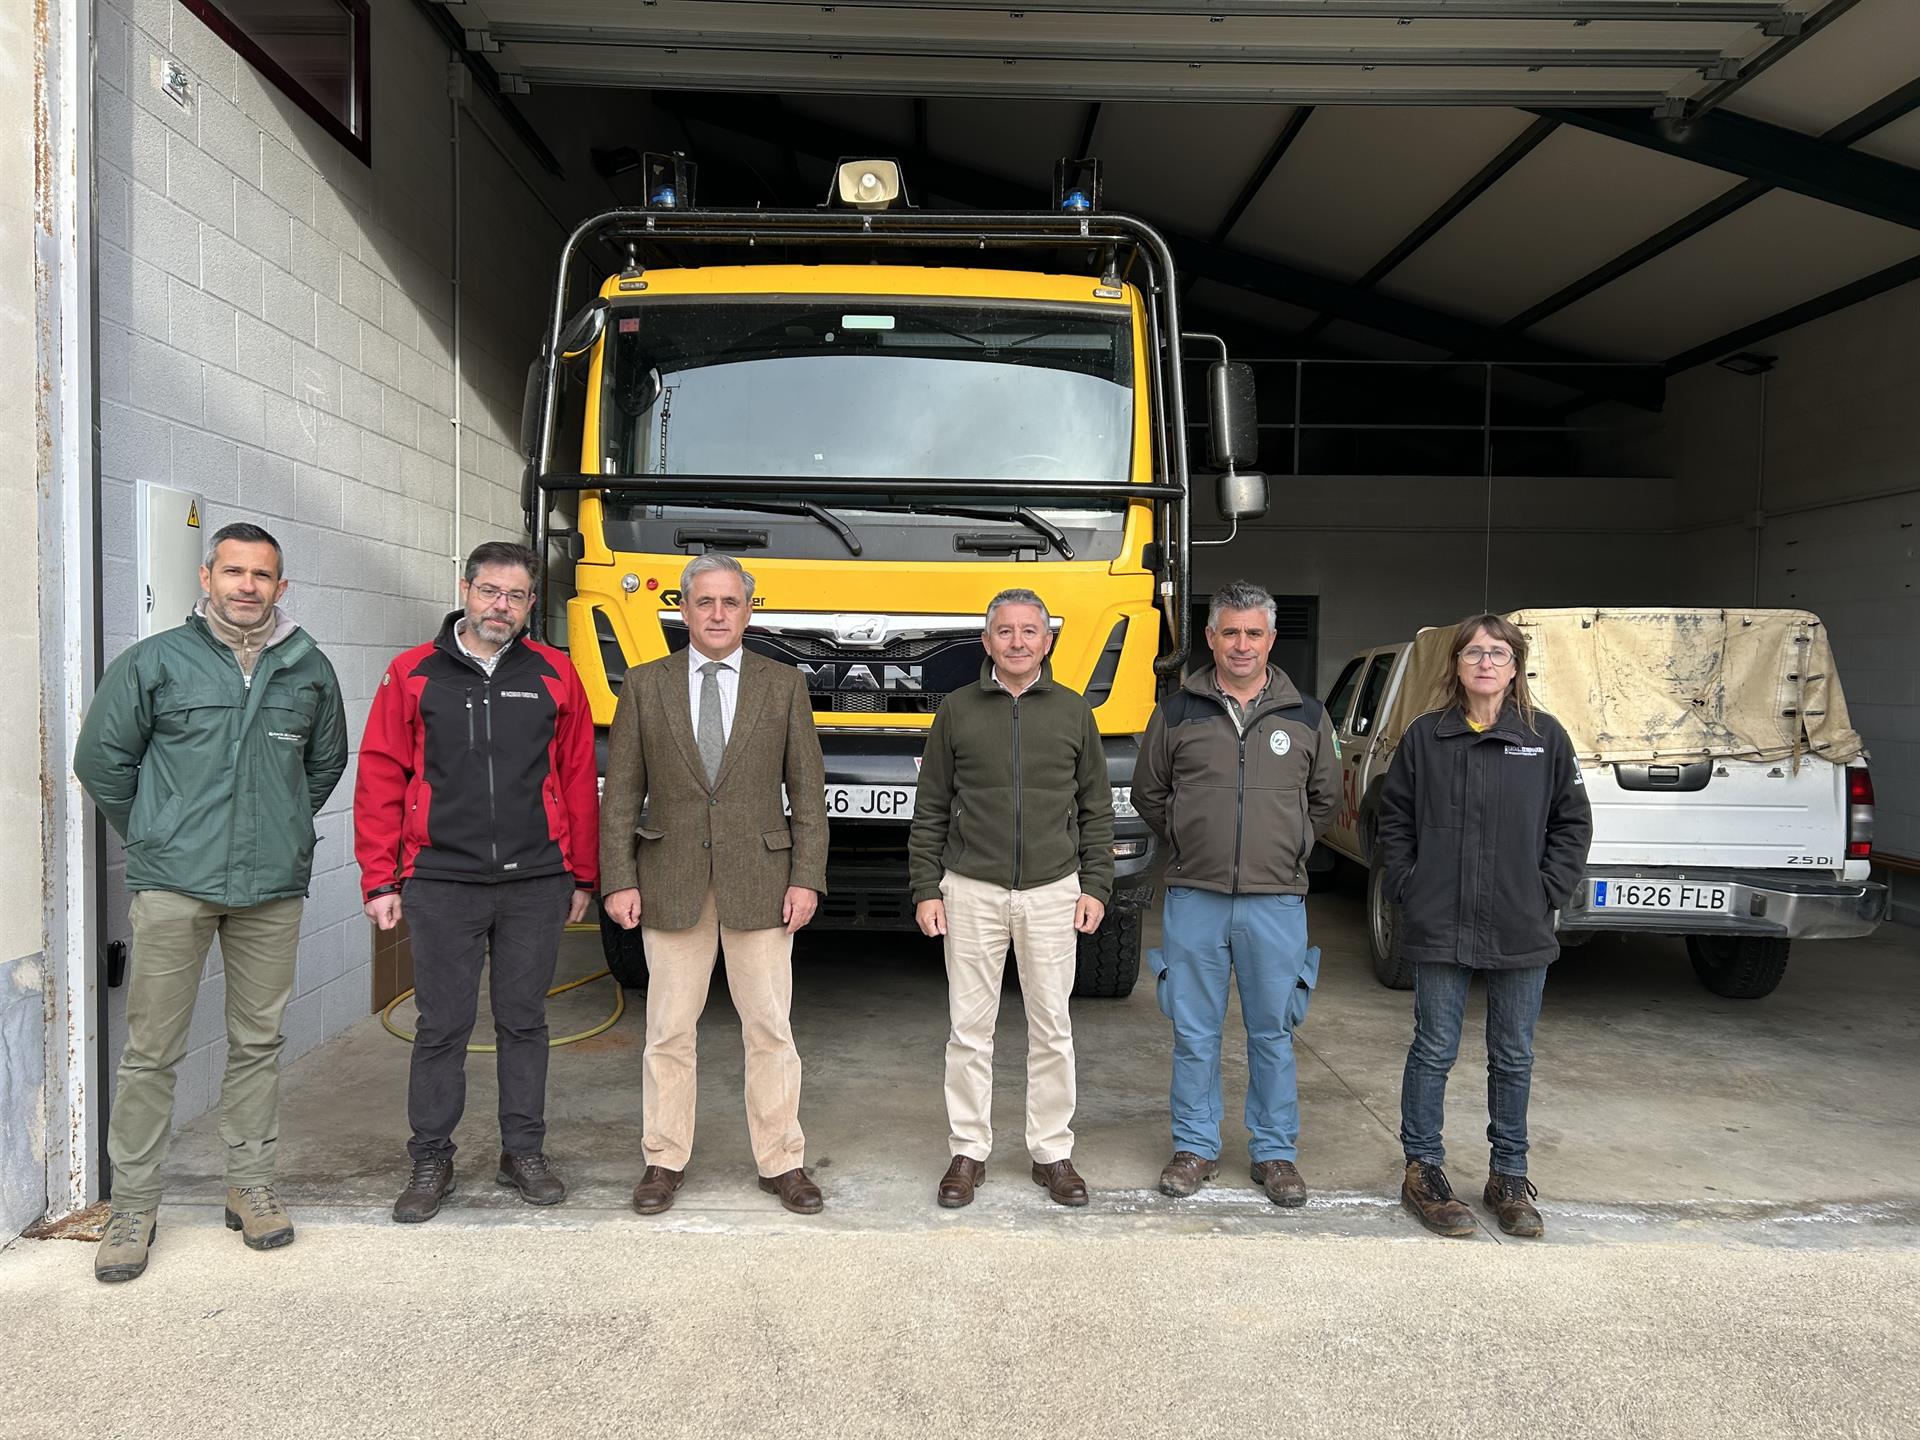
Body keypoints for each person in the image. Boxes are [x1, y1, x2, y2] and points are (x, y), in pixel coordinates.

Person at [74, 522, 348, 1283]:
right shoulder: (156, 663)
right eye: (234, 571)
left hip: (270, 889)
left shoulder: (308, 668)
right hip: (173, 886)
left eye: (263, 575)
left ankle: (249, 1185)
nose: (247, 587)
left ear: (281, 586)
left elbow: (323, 766)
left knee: (258, 1043)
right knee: (151, 1051)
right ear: (207, 577)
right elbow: (101, 759)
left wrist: (279, 831)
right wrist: (159, 834)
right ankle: (133, 1205)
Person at [354, 541, 599, 1224]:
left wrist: (584, 872)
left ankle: (522, 1152)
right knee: (442, 1026)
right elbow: (379, 776)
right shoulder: (412, 674)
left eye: (517, 596)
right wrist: (380, 878)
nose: (503, 606)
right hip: (440, 879)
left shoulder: (555, 673)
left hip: (537, 880)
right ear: (465, 589)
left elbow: (578, 778)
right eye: (491, 591)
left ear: (529, 605)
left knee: (525, 1022)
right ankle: (431, 1157)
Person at [600, 553, 830, 1217]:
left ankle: (782, 1161)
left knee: (769, 1029)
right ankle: (663, 1160)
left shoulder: (782, 685)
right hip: (670, 881)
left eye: (731, 602)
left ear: (749, 611)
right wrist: (618, 876)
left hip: (761, 880)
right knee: (669, 1030)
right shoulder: (645, 685)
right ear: (683, 608)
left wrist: (807, 878)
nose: (719, 614)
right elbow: (623, 797)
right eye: (706, 602)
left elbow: (808, 795)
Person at [1376, 612, 1593, 1239]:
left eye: (1498, 653)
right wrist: (1409, 887)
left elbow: (1571, 823)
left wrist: (1546, 889)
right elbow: (1395, 821)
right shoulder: (1426, 737)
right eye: (1473, 652)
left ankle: (1508, 1175)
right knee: (1435, 1047)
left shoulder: (1544, 738)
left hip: (1519, 922)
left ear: (1515, 664)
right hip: (1440, 919)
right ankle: (1424, 1170)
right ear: (1457, 665)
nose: (1485, 663)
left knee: (1513, 1054)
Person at [1135, 579, 1337, 1208]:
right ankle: (1194, 1147)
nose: (1242, 644)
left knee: (1273, 1033)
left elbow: (1324, 799)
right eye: (1230, 632)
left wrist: (1290, 843)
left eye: (1254, 632)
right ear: (1210, 638)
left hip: (1276, 901)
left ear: (1271, 639)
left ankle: (1275, 1154)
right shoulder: (1177, 710)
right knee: (1194, 1032)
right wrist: (1194, 842)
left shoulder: (1306, 714)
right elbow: (1150, 793)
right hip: (1195, 897)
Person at [910, 588, 1114, 1209]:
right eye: (1006, 631)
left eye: (1030, 631)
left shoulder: (1076, 713)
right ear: (987, 641)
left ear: (1048, 641)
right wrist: (926, 887)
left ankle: (1052, 1153)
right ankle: (967, 1151)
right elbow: (932, 808)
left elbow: (1097, 809)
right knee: (969, 1031)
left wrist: (1097, 884)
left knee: (1052, 1029)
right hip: (971, 889)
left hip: (1054, 890)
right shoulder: (957, 710)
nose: (1018, 641)